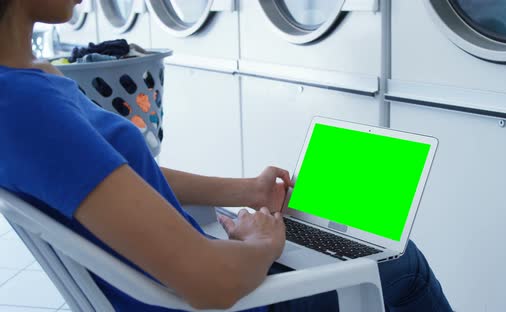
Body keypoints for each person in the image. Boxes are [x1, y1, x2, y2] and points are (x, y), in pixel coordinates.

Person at [0, 0, 453, 311]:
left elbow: (114, 176)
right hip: (204, 300)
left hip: (169, 279)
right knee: (402, 263)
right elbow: (210, 283)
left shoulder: (25, 82)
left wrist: (248, 191)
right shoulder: (28, 105)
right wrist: (264, 242)